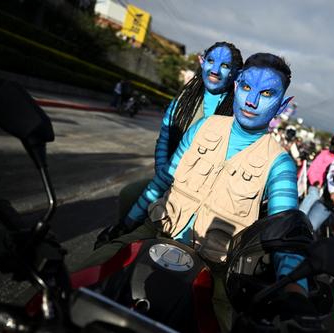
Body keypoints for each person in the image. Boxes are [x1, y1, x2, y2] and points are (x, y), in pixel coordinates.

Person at [85, 53, 314, 331]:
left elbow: (284, 238)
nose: (251, 101)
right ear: (235, 87)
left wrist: (294, 292)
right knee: (75, 282)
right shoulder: (203, 127)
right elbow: (161, 182)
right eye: (245, 87)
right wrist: (123, 226)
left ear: (282, 105)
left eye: (266, 93)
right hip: (154, 233)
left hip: (217, 268)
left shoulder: (281, 164)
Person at [117, 42, 243, 221]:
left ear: (236, 73)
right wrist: (163, 175)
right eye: (211, 61)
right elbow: (163, 140)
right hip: (166, 181)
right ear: (201, 61)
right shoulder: (183, 99)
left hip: (202, 198)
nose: (215, 70)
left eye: (225, 66)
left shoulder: (235, 115)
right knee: (129, 195)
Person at [299, 132, 334, 216]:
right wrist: (316, 182)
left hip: (333, 191)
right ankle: (299, 217)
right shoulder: (324, 154)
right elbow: (313, 168)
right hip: (317, 185)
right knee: (314, 195)